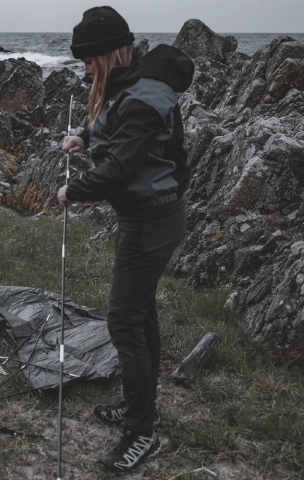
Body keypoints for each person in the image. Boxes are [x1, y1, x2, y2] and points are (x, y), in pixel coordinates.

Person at [58, 6, 194, 473]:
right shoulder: (130, 82)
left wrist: (72, 190)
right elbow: (115, 126)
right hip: (145, 217)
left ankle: (140, 431)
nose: (85, 70)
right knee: (138, 313)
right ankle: (141, 406)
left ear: (110, 53)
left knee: (123, 321)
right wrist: (83, 137)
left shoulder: (144, 97)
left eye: (88, 60)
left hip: (152, 222)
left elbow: (119, 169)